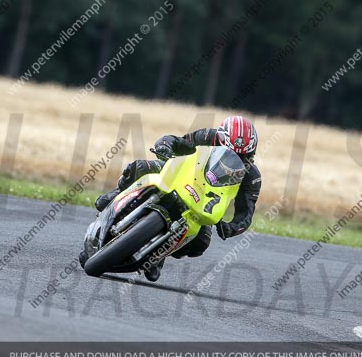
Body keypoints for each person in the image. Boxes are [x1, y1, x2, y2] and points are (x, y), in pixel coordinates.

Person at [94, 115, 262, 282]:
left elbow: (246, 214)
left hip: (204, 202)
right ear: (220, 139)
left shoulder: (252, 177)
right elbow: (178, 141)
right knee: (138, 167)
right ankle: (115, 196)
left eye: (241, 155)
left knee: (200, 243)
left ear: (250, 153)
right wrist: (165, 146)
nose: (235, 158)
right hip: (181, 176)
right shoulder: (207, 137)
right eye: (230, 151)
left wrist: (231, 227)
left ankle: (159, 254)